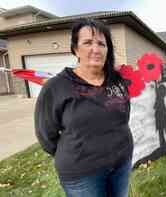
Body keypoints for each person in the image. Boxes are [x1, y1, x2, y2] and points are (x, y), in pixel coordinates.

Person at [34, 18, 133, 197]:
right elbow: (46, 135)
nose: (95, 49)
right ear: (75, 49)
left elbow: (124, 115)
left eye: (101, 44)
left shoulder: (117, 80)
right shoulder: (56, 87)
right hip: (83, 174)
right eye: (87, 42)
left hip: (121, 163)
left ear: (107, 49)